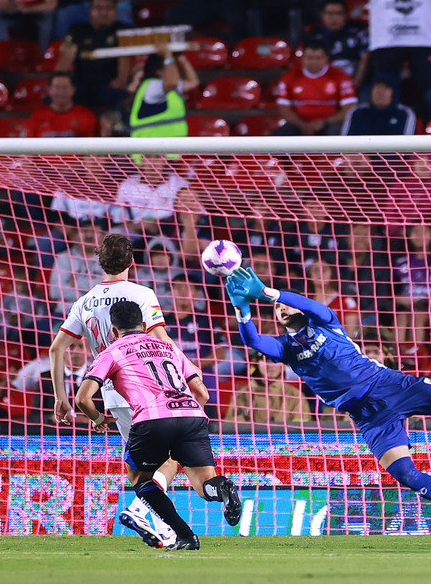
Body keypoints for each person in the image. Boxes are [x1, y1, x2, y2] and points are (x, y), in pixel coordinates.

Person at [224, 265, 431, 517]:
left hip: (389, 385)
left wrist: (268, 293)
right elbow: (254, 340)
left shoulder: (325, 321)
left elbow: (310, 305)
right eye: (276, 308)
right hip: (366, 413)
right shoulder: (285, 347)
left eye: (285, 305)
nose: (281, 309)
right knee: (405, 473)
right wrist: (242, 309)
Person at [49, 233, 201, 548]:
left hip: (112, 393)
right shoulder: (140, 294)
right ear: (132, 261)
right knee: (172, 457)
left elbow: (56, 349)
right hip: (148, 392)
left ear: (100, 263)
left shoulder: (84, 301)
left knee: (153, 465)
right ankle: (139, 513)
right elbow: (162, 340)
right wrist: (190, 376)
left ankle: (163, 528)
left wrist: (61, 397)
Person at [75, 300, 243, 550]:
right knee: (205, 485)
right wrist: (186, 416)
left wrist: (99, 419)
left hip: (152, 419)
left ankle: (185, 536)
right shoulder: (168, 347)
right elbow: (203, 393)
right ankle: (225, 489)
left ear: (113, 330)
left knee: (140, 479)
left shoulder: (111, 351)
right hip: (192, 415)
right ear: (144, 325)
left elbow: (82, 398)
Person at [53, 0, 131, 111]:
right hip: (81, 83)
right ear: (90, 11)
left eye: (109, 8)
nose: (104, 13)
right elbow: (66, 58)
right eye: (99, 8)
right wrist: (59, 83)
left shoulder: (124, 30)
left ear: (116, 12)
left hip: (109, 84)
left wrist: (121, 80)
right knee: (55, 97)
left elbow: (125, 58)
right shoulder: (77, 29)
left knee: (120, 98)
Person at [272, 40, 356, 136]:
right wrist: (303, 125)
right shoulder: (289, 77)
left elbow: (349, 108)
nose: (314, 62)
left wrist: (324, 122)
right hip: (299, 124)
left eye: (318, 58)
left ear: (326, 58)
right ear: (302, 58)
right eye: (310, 58)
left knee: (335, 131)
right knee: (283, 132)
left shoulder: (340, 77)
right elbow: (284, 108)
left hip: (329, 123)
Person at [128, 44, 198, 140]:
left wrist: (182, 59)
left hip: (167, 151)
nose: (175, 69)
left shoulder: (168, 88)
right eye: (171, 65)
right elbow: (173, 83)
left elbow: (193, 82)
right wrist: (167, 55)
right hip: (149, 152)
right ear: (158, 71)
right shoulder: (152, 86)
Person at [227, 351, 310, 423]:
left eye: (275, 360)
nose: (270, 365)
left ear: (283, 365)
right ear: (256, 363)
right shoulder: (241, 396)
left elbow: (300, 433)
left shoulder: (295, 396)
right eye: (264, 360)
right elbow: (234, 430)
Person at [306, 0, 368, 90]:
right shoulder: (314, 34)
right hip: (325, 83)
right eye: (330, 14)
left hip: (358, 80)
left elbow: (365, 58)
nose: (334, 18)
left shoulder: (358, 29)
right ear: (322, 15)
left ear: (346, 15)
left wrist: (356, 82)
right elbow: (310, 62)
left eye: (339, 14)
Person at [27, 73, 100, 137]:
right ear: (49, 90)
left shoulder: (86, 116)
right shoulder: (36, 117)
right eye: (57, 87)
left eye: (65, 88)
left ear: (73, 89)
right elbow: (29, 148)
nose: (61, 92)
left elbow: (95, 149)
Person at [341, 74, 417, 136]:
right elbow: (345, 144)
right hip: (359, 154)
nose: (380, 92)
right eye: (377, 87)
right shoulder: (356, 112)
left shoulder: (404, 114)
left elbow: (406, 149)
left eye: (385, 88)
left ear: (394, 92)